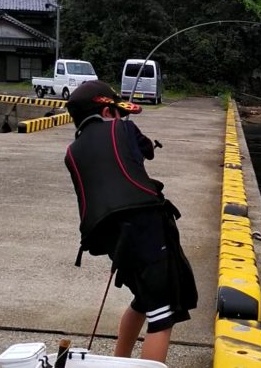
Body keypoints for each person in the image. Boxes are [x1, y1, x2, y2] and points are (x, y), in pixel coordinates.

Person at [64, 80, 197, 363]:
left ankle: (120, 360)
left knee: (143, 299)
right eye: (116, 109)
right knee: (163, 314)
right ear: (107, 111)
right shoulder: (123, 128)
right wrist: (125, 123)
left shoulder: (72, 152)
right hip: (144, 226)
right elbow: (146, 149)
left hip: (110, 237)